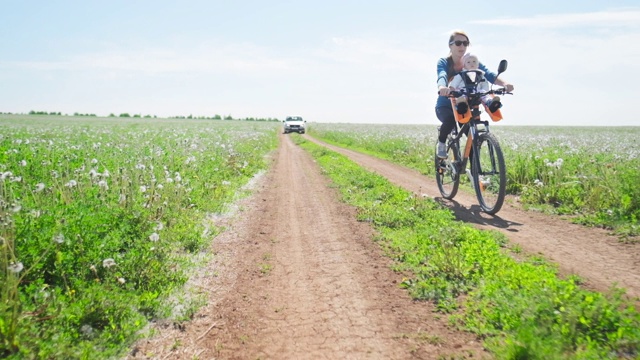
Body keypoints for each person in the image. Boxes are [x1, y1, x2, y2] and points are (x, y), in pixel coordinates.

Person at [435, 30, 514, 158]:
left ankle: (476, 176)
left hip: (466, 107)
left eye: (465, 43)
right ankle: (442, 144)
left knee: (473, 139)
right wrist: (443, 87)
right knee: (449, 120)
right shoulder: (444, 62)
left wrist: (505, 84)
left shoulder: (472, 62)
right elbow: (442, 75)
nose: (462, 46)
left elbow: (489, 75)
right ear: (450, 45)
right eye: (458, 43)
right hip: (446, 105)